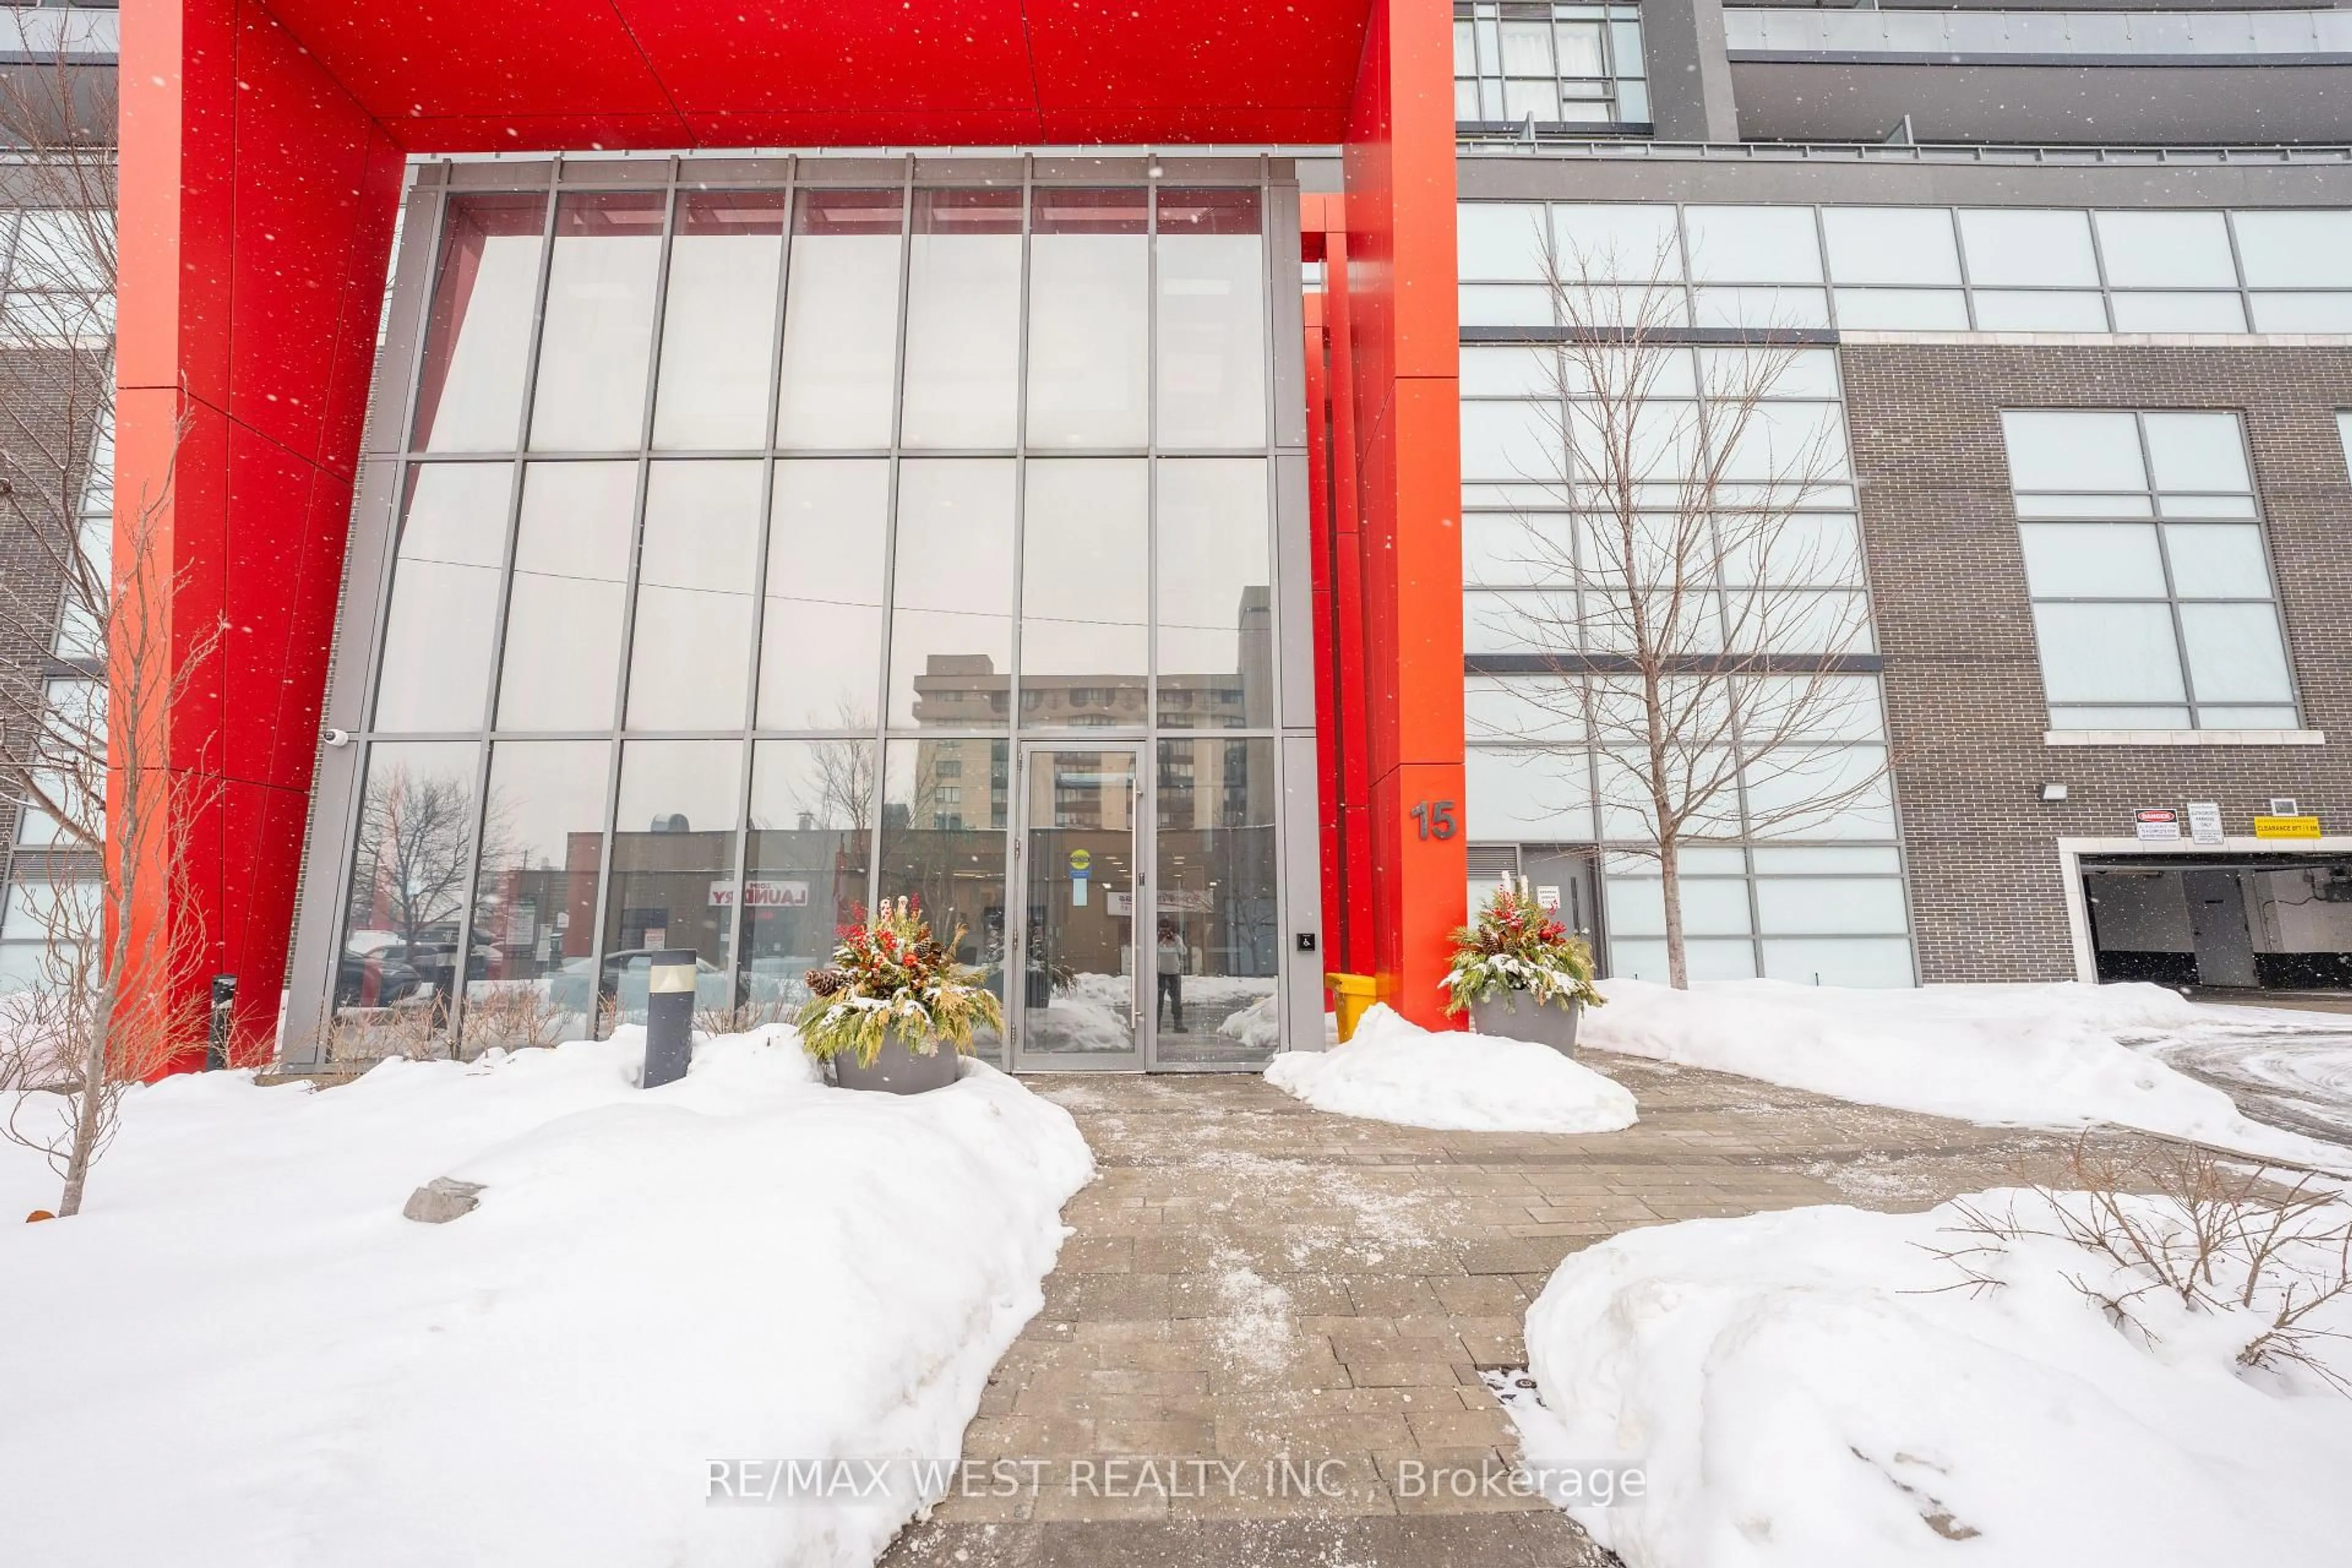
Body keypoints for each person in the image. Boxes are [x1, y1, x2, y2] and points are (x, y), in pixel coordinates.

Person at [1156, 920, 1185, 1031]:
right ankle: (1156, 1025)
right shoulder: (1157, 939)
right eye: (1162, 929)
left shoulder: (1176, 939)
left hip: (1174, 973)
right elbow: (1153, 951)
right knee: (1158, 1001)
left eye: (1166, 929)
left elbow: (1183, 952)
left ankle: (1178, 1025)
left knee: (1176, 1001)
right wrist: (1161, 941)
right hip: (1161, 974)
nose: (1164, 932)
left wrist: (1175, 941)